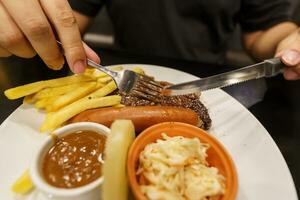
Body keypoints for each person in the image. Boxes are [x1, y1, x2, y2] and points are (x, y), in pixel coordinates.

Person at [0, 0, 299, 81]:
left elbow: (263, 31)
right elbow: (67, 20)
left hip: (209, 81)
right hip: (120, 79)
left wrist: (289, 42)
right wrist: (28, 22)